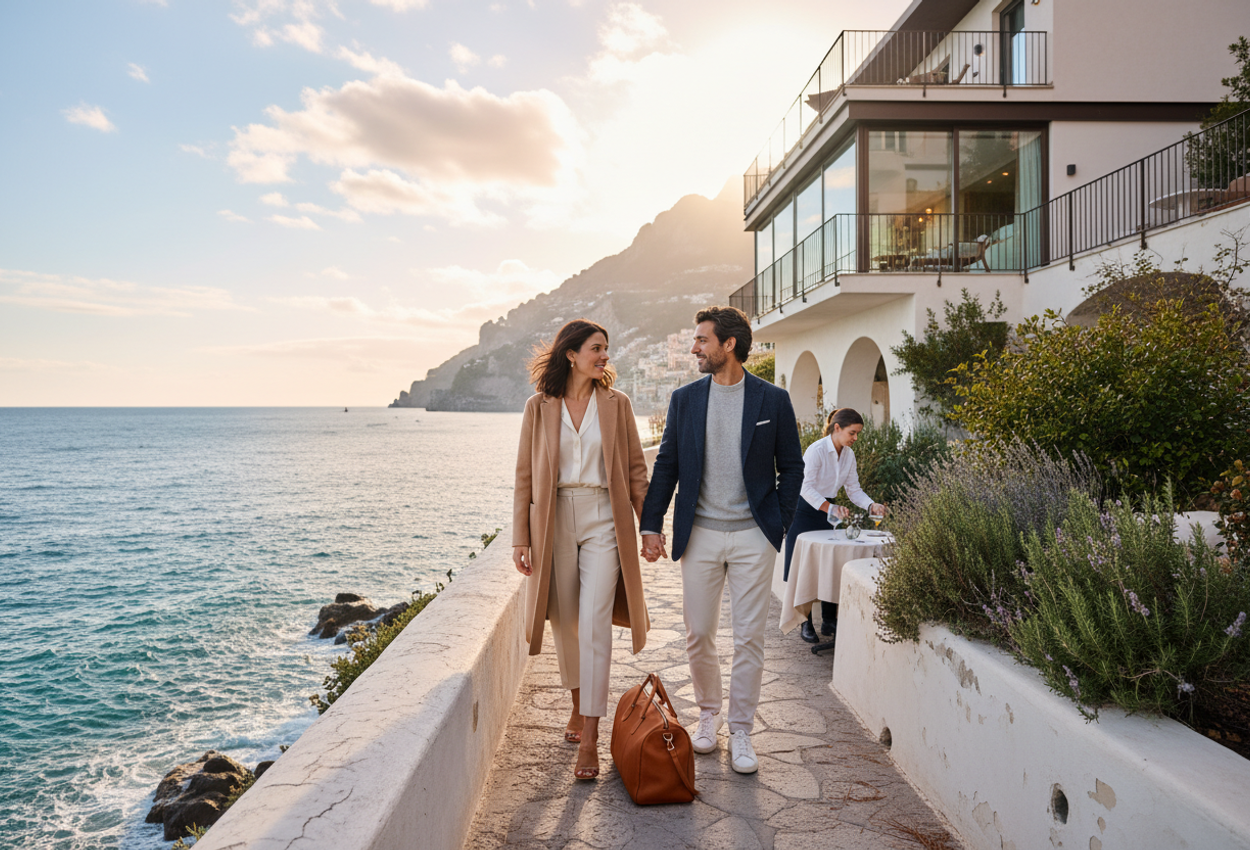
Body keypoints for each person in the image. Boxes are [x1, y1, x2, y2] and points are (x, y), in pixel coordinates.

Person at [639, 306, 804, 775]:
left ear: (728, 344)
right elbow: (666, 464)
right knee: (698, 635)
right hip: (702, 536)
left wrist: (781, 520)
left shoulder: (772, 399)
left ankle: (742, 728)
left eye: (701, 340)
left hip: (754, 535)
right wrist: (651, 523)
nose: (694, 348)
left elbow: (791, 467)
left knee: (750, 638)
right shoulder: (686, 399)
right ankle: (708, 716)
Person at [511, 319, 651, 781]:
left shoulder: (617, 404)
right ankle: (576, 705)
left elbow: (635, 471)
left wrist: (650, 527)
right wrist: (520, 538)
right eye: (596, 348)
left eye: (606, 349)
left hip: (603, 519)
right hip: (553, 518)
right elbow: (525, 477)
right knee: (565, 620)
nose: (605, 356)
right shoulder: (539, 406)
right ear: (571, 354)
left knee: (595, 621)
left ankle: (590, 735)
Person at [784, 407, 886, 644]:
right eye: (853, 432)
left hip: (827, 510)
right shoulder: (816, 451)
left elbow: (853, 489)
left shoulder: (849, 455)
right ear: (837, 428)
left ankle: (830, 621)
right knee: (806, 567)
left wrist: (871, 505)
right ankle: (805, 623)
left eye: (858, 433)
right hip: (804, 510)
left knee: (830, 563)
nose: (855, 438)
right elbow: (804, 487)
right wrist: (829, 508)